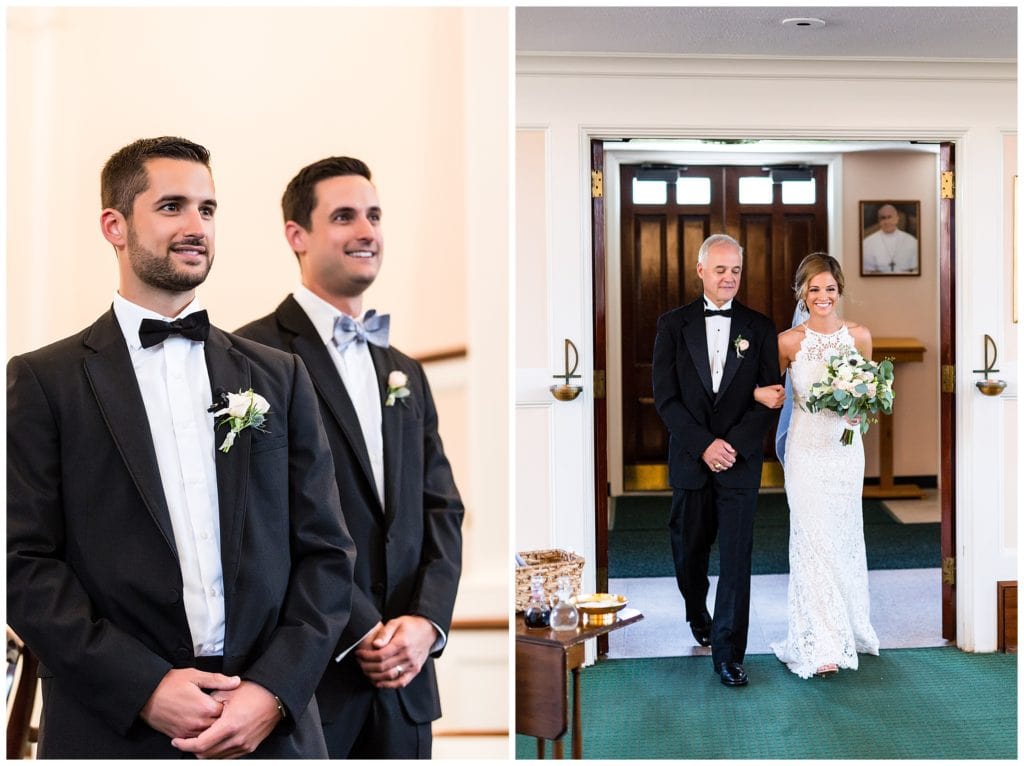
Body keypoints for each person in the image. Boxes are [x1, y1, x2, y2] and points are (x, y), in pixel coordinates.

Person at [6, 137, 356, 758]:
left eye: (209, 209)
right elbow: (24, 562)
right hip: (111, 725)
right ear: (114, 225)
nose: (197, 227)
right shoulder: (44, 381)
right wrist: (142, 686)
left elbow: (327, 553)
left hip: (269, 729)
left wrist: (273, 691)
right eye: (172, 207)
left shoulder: (278, 376)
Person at [235, 156, 464, 758]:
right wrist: (362, 626)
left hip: (409, 678)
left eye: (374, 215)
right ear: (297, 236)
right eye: (344, 217)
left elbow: (441, 508)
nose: (367, 231)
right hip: (311, 676)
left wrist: (425, 624)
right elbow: (262, 519)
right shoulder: (247, 357)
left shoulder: (405, 371)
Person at [652, 233, 784, 687]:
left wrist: (733, 446)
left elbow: (771, 397)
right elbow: (666, 399)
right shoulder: (672, 325)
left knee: (735, 559)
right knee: (688, 550)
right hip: (691, 460)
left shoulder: (760, 327)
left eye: (736, 270)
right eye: (720, 269)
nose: (729, 278)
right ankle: (696, 611)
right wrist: (704, 445)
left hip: (740, 463)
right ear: (701, 270)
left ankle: (729, 653)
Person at [769, 252, 881, 678]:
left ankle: (848, 626)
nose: (822, 296)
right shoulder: (787, 343)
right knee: (812, 538)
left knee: (843, 534)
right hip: (805, 450)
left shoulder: (860, 336)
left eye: (829, 289)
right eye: (814, 289)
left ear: (840, 291)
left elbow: (869, 396)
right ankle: (819, 642)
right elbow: (770, 392)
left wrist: (860, 409)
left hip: (844, 451)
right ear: (802, 293)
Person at [862, 203, 918, 273]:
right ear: (879, 221)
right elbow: (866, 272)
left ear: (897, 219)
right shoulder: (867, 243)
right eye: (883, 218)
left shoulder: (912, 241)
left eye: (889, 217)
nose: (886, 221)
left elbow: (916, 271)